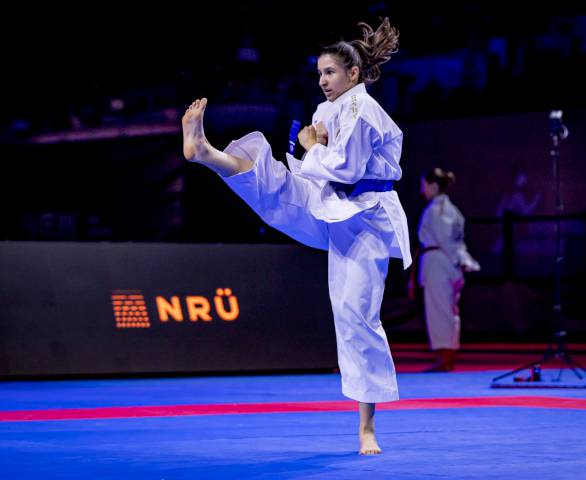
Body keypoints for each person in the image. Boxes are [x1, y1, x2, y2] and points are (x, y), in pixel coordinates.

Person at [181, 18, 411, 455]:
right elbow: (315, 168)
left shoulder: (364, 111)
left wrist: (310, 146)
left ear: (354, 74)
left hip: (365, 218)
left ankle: (367, 429)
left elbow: (347, 169)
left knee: (355, 314)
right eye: (319, 73)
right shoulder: (326, 110)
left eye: (330, 72)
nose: (322, 80)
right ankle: (207, 154)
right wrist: (304, 152)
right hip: (329, 200)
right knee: (273, 184)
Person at [411, 168, 480, 372]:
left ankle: (445, 358)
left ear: (433, 186)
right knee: (449, 310)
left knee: (440, 310)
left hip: (440, 262)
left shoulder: (436, 210)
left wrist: (460, 260)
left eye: (424, 186)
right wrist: (462, 261)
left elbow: (446, 240)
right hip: (448, 262)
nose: (422, 191)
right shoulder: (452, 210)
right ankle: (447, 357)